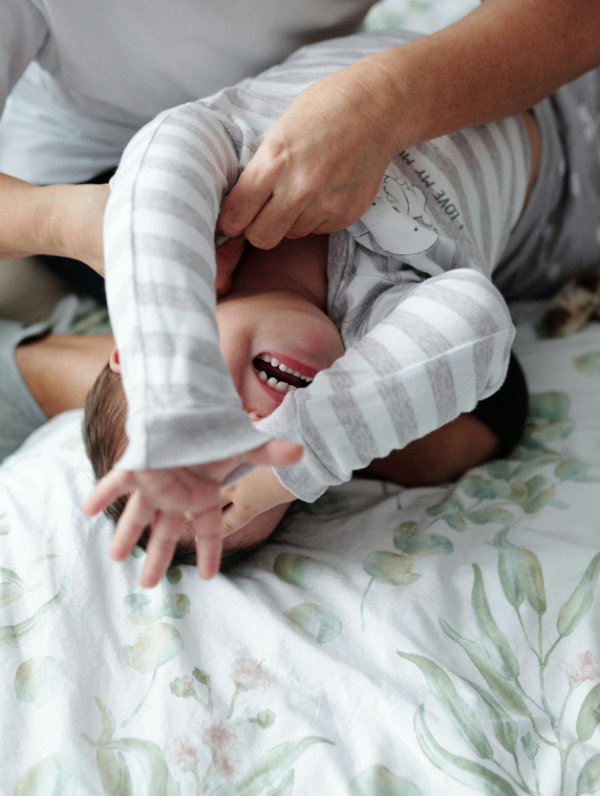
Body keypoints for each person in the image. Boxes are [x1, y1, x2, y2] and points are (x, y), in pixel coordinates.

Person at [81, 28, 599, 587]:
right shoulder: (379, 324)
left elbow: (167, 148)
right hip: (565, 207)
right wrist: (305, 450)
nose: (256, 430)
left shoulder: (217, 188)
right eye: (252, 473)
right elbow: (478, 323)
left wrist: (166, 331)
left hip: (513, 43)